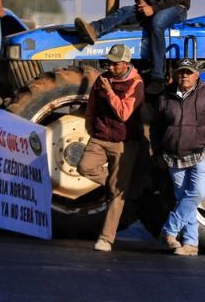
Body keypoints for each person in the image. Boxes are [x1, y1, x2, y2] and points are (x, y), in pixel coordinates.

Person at [150, 59, 205, 256]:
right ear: (176, 75)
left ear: (197, 75)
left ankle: (169, 230)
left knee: (196, 194)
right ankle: (191, 244)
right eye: (181, 72)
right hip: (174, 158)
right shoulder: (165, 98)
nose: (184, 76)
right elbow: (155, 128)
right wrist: (158, 152)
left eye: (188, 72)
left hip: (201, 155)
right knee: (183, 200)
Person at [78, 44, 145, 252]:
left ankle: (106, 239)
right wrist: (90, 126)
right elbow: (92, 105)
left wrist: (109, 93)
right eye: (109, 62)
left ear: (126, 63)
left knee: (117, 195)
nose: (111, 67)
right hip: (99, 137)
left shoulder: (136, 83)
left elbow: (124, 113)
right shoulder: (102, 79)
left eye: (115, 64)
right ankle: (117, 186)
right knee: (84, 167)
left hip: (123, 142)